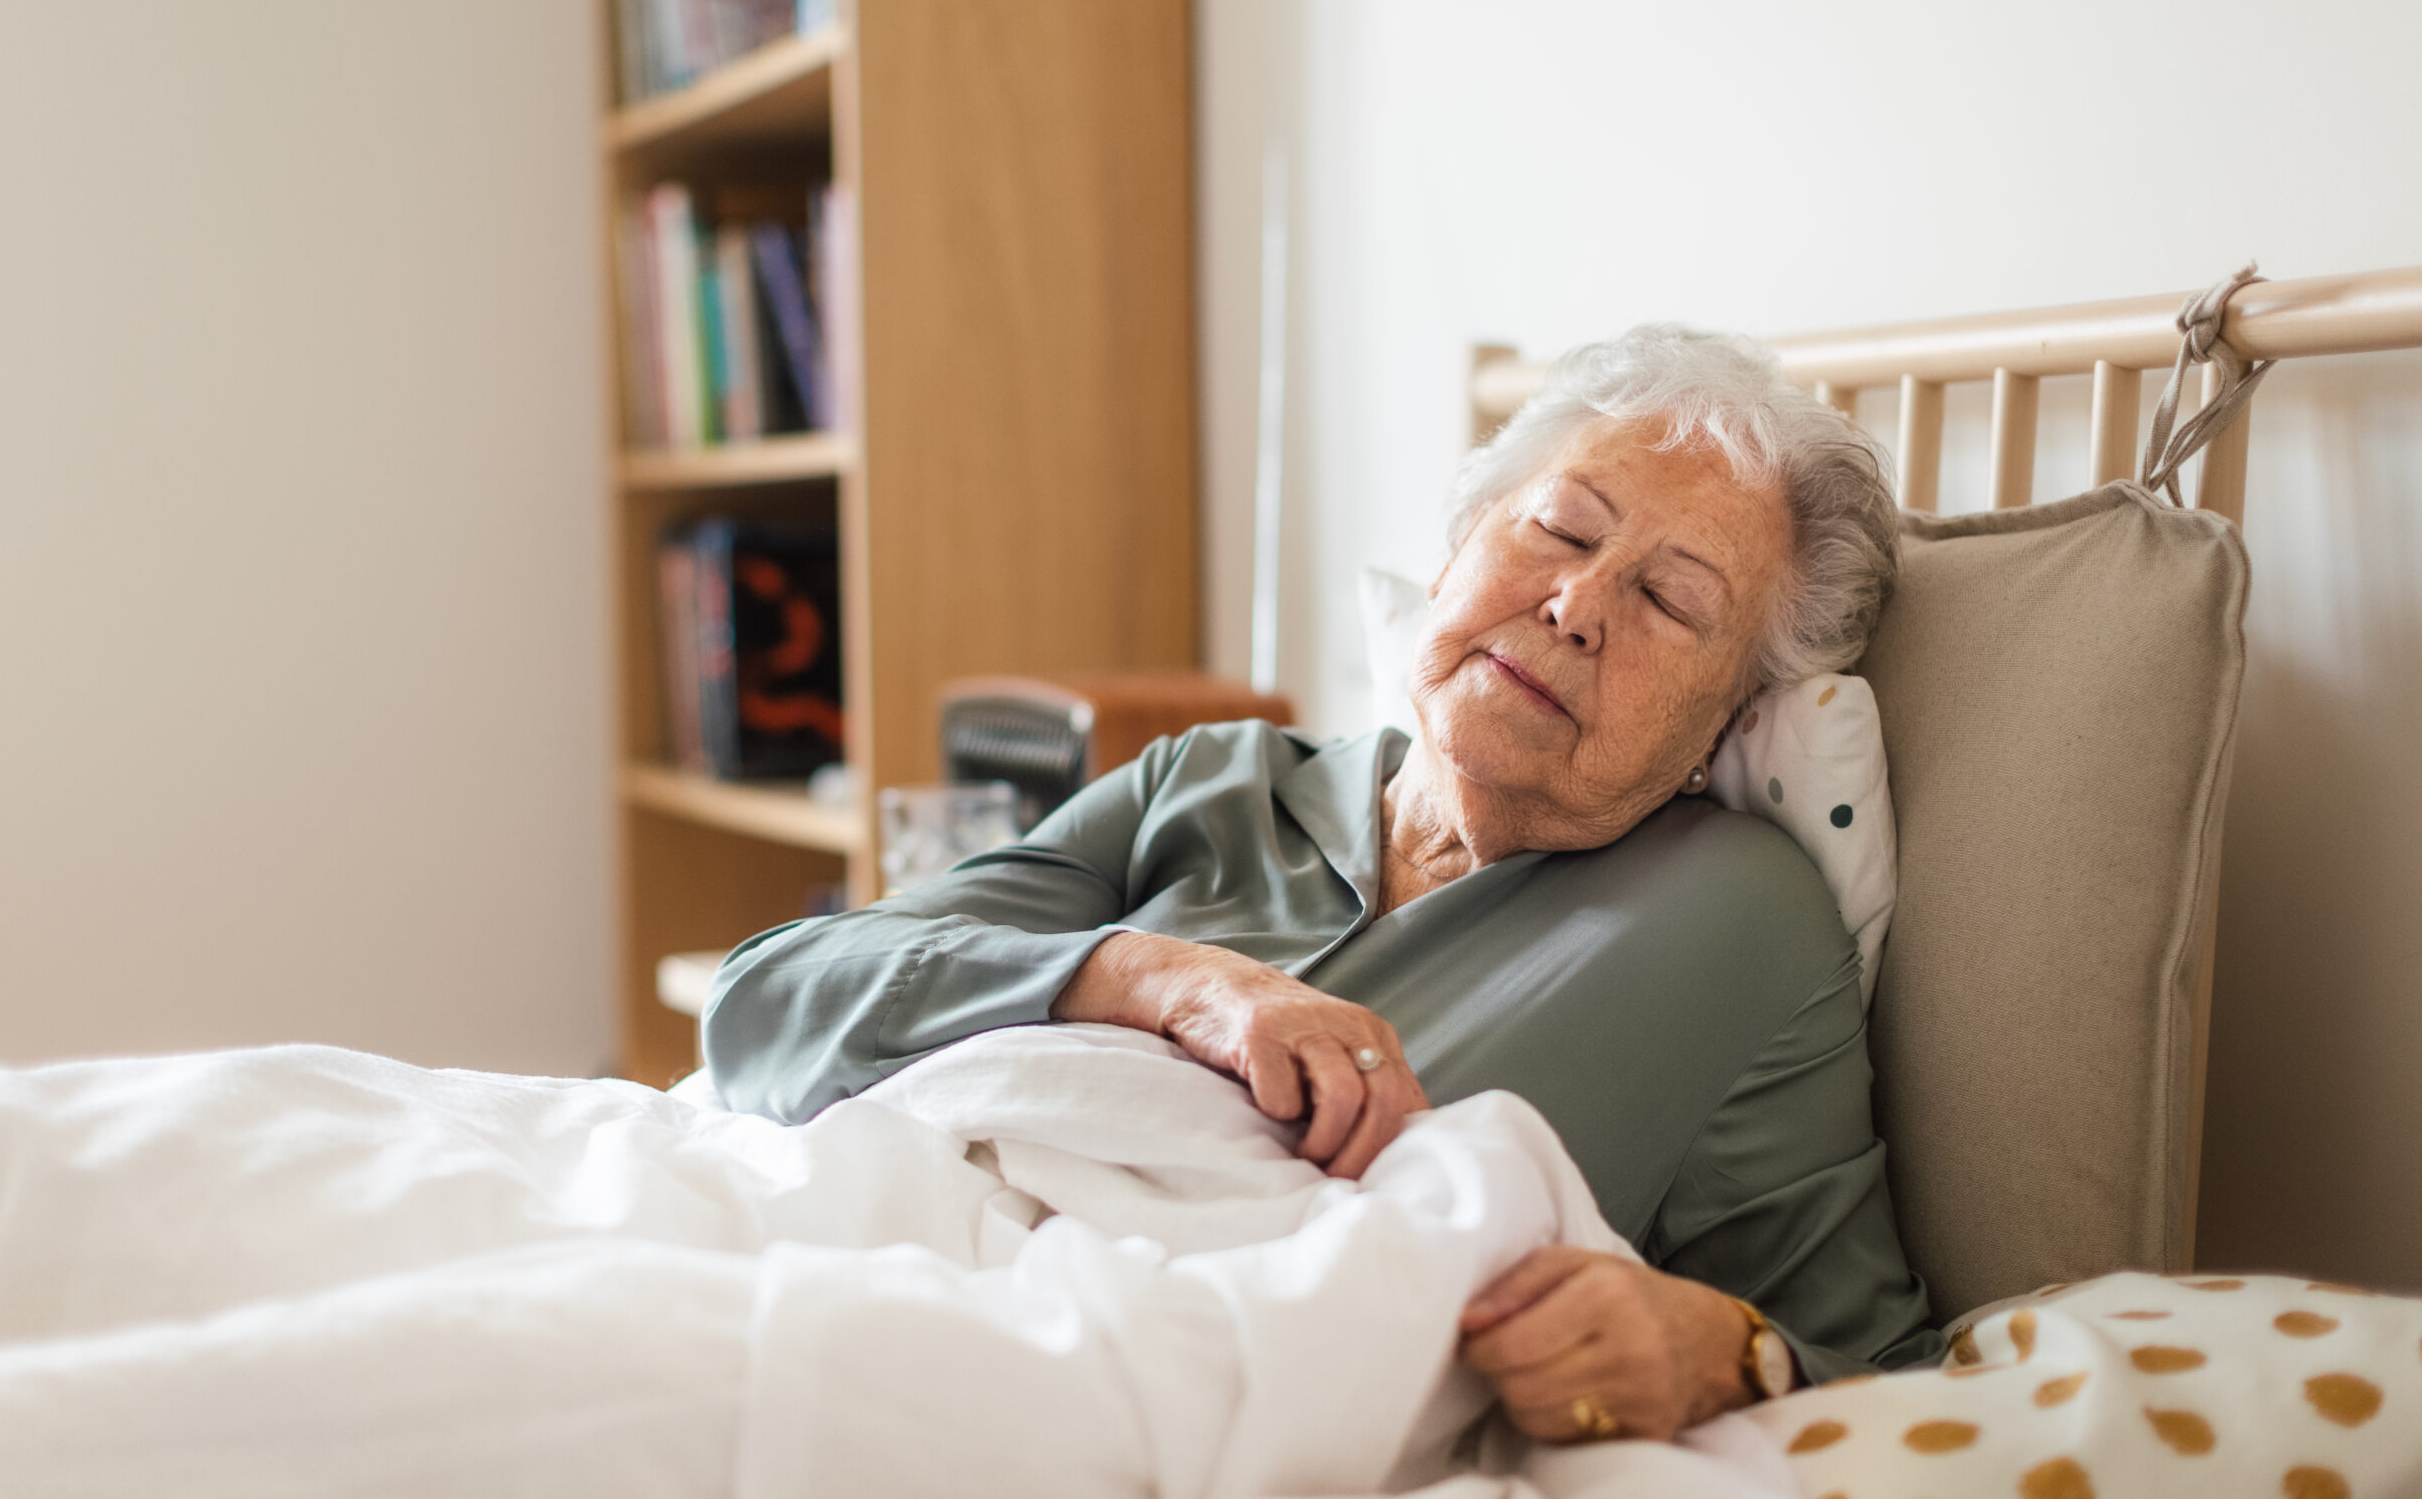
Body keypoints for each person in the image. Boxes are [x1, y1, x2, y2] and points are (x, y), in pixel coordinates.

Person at [704, 324, 1944, 1443]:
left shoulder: (1731, 923)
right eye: (1562, 530)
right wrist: (1163, 979)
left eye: (1671, 601)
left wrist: (1714, 1352)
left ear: (1726, 722)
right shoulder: (1212, 783)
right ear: (1463, 543)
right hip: (851, 1261)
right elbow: (767, 1001)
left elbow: (1886, 1369)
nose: (1576, 602)